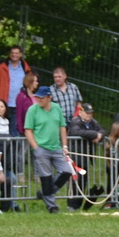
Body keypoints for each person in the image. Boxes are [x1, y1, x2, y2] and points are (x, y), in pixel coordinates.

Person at [24, 85, 72, 214]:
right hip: (41, 148)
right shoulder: (32, 110)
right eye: (37, 97)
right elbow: (28, 130)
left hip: (56, 147)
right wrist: (35, 147)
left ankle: (46, 192)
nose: (39, 99)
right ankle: (52, 206)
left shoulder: (57, 108)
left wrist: (65, 146)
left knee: (67, 171)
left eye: (42, 97)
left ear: (49, 97)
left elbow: (62, 127)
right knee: (46, 176)